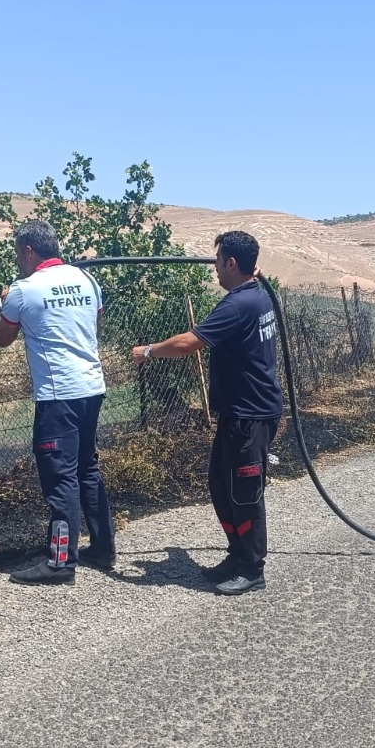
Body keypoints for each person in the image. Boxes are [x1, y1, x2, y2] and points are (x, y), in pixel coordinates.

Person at [131, 231, 282, 596]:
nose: (214, 268)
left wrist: (148, 351)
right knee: (220, 484)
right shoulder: (256, 295)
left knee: (245, 493)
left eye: (218, 261)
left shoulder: (237, 305)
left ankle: (252, 568)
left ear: (232, 263)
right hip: (240, 412)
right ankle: (237, 554)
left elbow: (189, 343)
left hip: (250, 415)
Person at [0, 221, 117, 585]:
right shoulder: (86, 280)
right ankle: (103, 547)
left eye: (19, 254)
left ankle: (61, 562)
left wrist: (6, 303)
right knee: (87, 469)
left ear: (29, 251)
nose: (19, 260)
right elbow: (96, 320)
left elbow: (3, 338)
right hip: (91, 387)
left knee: (60, 478)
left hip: (57, 396)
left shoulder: (23, 290)